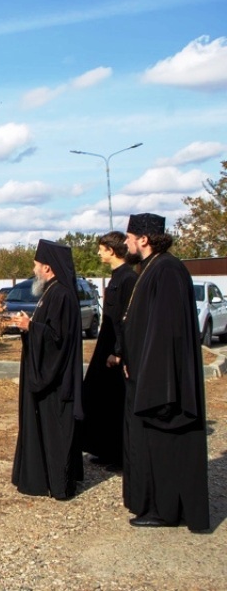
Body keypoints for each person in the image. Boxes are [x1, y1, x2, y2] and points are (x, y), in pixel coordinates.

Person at [120, 213, 208, 531]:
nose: (126, 242)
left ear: (143, 239)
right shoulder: (151, 268)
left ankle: (166, 510)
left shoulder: (167, 269)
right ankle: (153, 504)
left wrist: (152, 375)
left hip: (161, 382)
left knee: (164, 446)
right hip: (146, 374)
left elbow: (167, 332)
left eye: (129, 237)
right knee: (148, 445)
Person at [10, 239, 83, 501]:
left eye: (36, 265)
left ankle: (59, 484)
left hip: (56, 381)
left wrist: (32, 327)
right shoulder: (52, 292)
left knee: (56, 431)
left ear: (48, 268)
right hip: (48, 376)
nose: (34, 270)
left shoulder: (61, 295)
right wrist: (30, 327)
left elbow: (58, 340)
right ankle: (42, 478)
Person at [79, 231, 137, 470]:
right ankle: (104, 448)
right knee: (99, 397)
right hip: (106, 345)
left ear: (111, 251)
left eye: (102, 249)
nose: (98, 252)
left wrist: (119, 351)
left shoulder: (128, 279)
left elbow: (126, 319)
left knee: (116, 402)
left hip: (116, 348)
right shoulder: (117, 277)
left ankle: (120, 456)